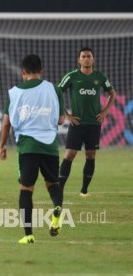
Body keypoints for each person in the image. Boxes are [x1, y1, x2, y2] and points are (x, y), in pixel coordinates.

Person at [0, 54, 64, 244]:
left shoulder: (14, 93)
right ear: (42, 70)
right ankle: (57, 210)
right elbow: (60, 120)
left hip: (27, 146)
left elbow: (6, 124)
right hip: (50, 145)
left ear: (23, 72)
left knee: (26, 189)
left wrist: (2, 146)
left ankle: (28, 235)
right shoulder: (54, 89)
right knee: (53, 183)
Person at [58, 47, 116, 197]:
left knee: (90, 155)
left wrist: (105, 111)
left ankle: (84, 190)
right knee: (69, 154)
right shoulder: (72, 76)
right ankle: (59, 188)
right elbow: (58, 92)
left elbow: (112, 93)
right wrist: (67, 115)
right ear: (79, 60)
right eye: (83, 56)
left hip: (94, 123)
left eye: (89, 56)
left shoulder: (100, 77)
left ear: (93, 59)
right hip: (76, 123)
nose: (86, 59)